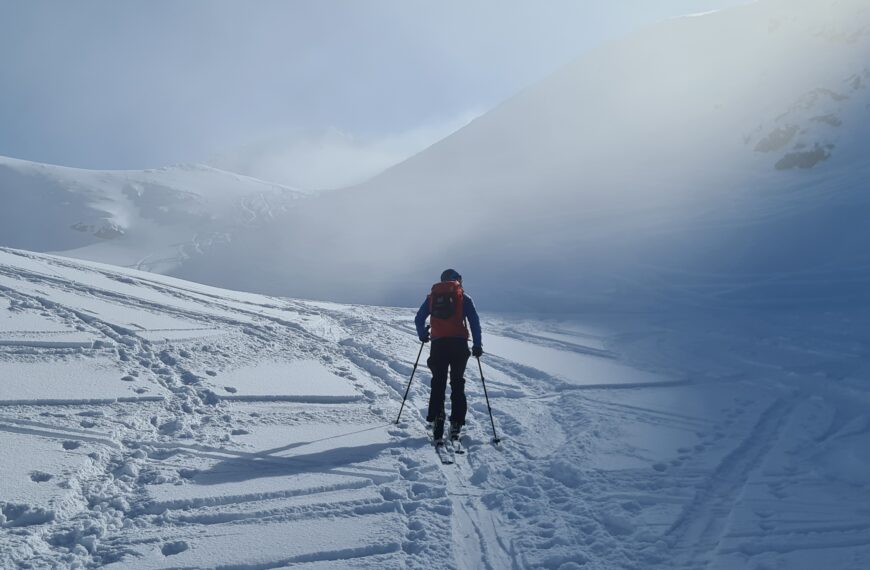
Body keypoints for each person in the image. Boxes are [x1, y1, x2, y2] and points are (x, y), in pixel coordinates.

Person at [415, 268, 483, 442]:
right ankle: (457, 423)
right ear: (457, 280)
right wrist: (477, 345)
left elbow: (419, 318)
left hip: (438, 345)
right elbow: (474, 321)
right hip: (459, 345)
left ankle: (437, 420)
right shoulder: (464, 298)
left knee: (438, 382)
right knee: (457, 382)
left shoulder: (432, 297)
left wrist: (423, 334)